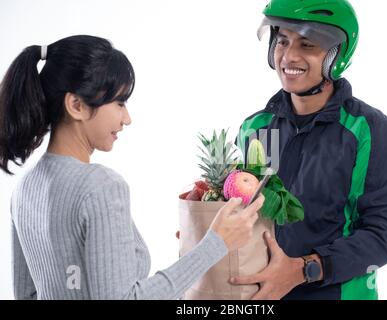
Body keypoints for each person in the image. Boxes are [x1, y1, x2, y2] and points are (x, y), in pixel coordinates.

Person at [0, 35, 264, 300]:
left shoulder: (24, 190)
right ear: (76, 105)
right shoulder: (100, 186)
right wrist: (215, 245)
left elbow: (26, 296)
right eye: (120, 102)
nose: (127, 118)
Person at [231, 0, 387, 300]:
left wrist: (304, 269)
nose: (288, 56)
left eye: (307, 44)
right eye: (283, 40)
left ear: (336, 56)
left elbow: (382, 237)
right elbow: (249, 209)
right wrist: (210, 236)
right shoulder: (256, 129)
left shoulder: (371, 133)